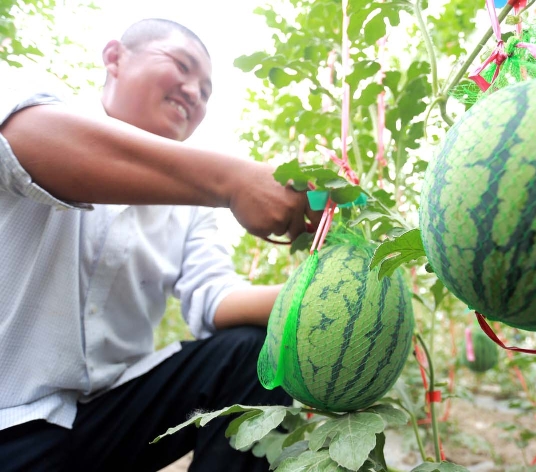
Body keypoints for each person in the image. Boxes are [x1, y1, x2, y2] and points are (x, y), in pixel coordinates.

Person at [0, 18, 318, 472]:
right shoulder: (35, 103)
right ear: (114, 58)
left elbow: (215, 297)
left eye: (207, 91)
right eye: (181, 66)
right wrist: (231, 180)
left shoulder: (191, 213)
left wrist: (317, 292)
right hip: (12, 419)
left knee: (252, 352)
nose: (193, 92)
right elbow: (20, 143)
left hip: (113, 415)